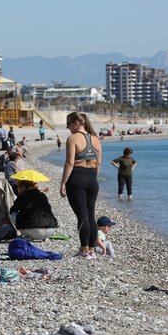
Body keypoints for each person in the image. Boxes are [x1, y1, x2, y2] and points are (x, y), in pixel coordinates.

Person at [59, 111, 101, 259]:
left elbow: (70, 163)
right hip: (92, 178)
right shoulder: (95, 138)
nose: (68, 127)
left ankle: (83, 250)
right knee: (91, 215)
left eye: (68, 124)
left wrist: (63, 182)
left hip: (76, 177)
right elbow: (98, 163)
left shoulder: (72, 139)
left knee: (82, 215)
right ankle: (92, 250)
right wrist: (93, 179)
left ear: (76, 123)